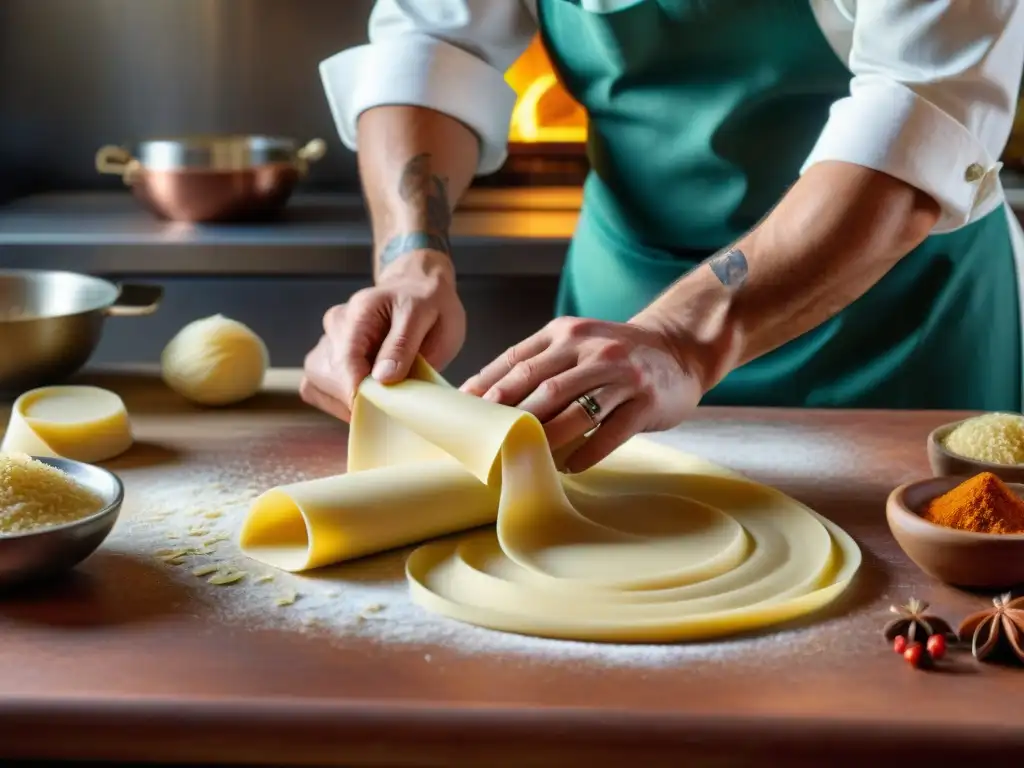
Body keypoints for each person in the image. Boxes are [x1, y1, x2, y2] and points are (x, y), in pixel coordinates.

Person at [302, 0, 1024, 473]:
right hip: (618, 309)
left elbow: (921, 109)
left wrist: (683, 337)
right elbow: (432, 40)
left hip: (895, 317)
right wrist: (409, 259)